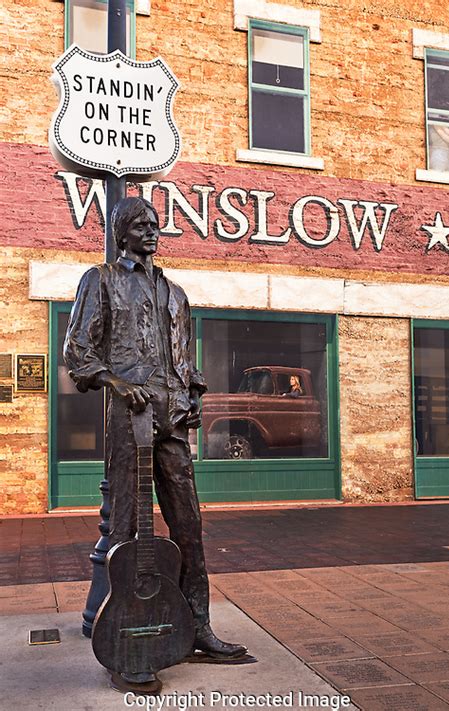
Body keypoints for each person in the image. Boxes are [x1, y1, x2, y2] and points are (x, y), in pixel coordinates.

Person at [64, 196, 246, 668]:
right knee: (125, 525)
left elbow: (186, 359)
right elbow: (78, 350)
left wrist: (193, 396)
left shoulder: (176, 292)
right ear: (121, 231)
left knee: (189, 524)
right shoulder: (101, 281)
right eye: (140, 224)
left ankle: (198, 624)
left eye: (155, 224)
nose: (150, 232)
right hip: (130, 417)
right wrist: (116, 382)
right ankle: (123, 630)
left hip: (173, 419)